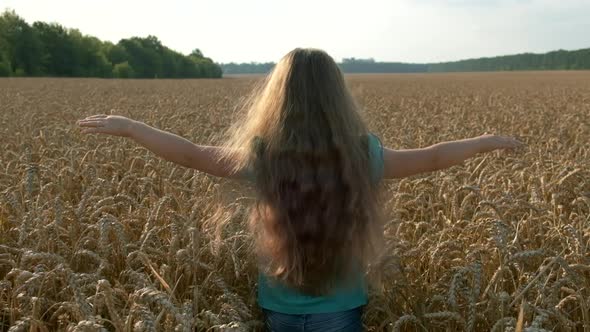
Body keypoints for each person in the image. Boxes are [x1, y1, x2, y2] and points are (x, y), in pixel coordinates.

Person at [77, 48, 523, 331]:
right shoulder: (361, 155)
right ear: (337, 99)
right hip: (343, 310)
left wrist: (131, 127)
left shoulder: (263, 156)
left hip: (279, 309)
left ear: (277, 99)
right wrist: (483, 141)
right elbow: (431, 157)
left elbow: (193, 154)